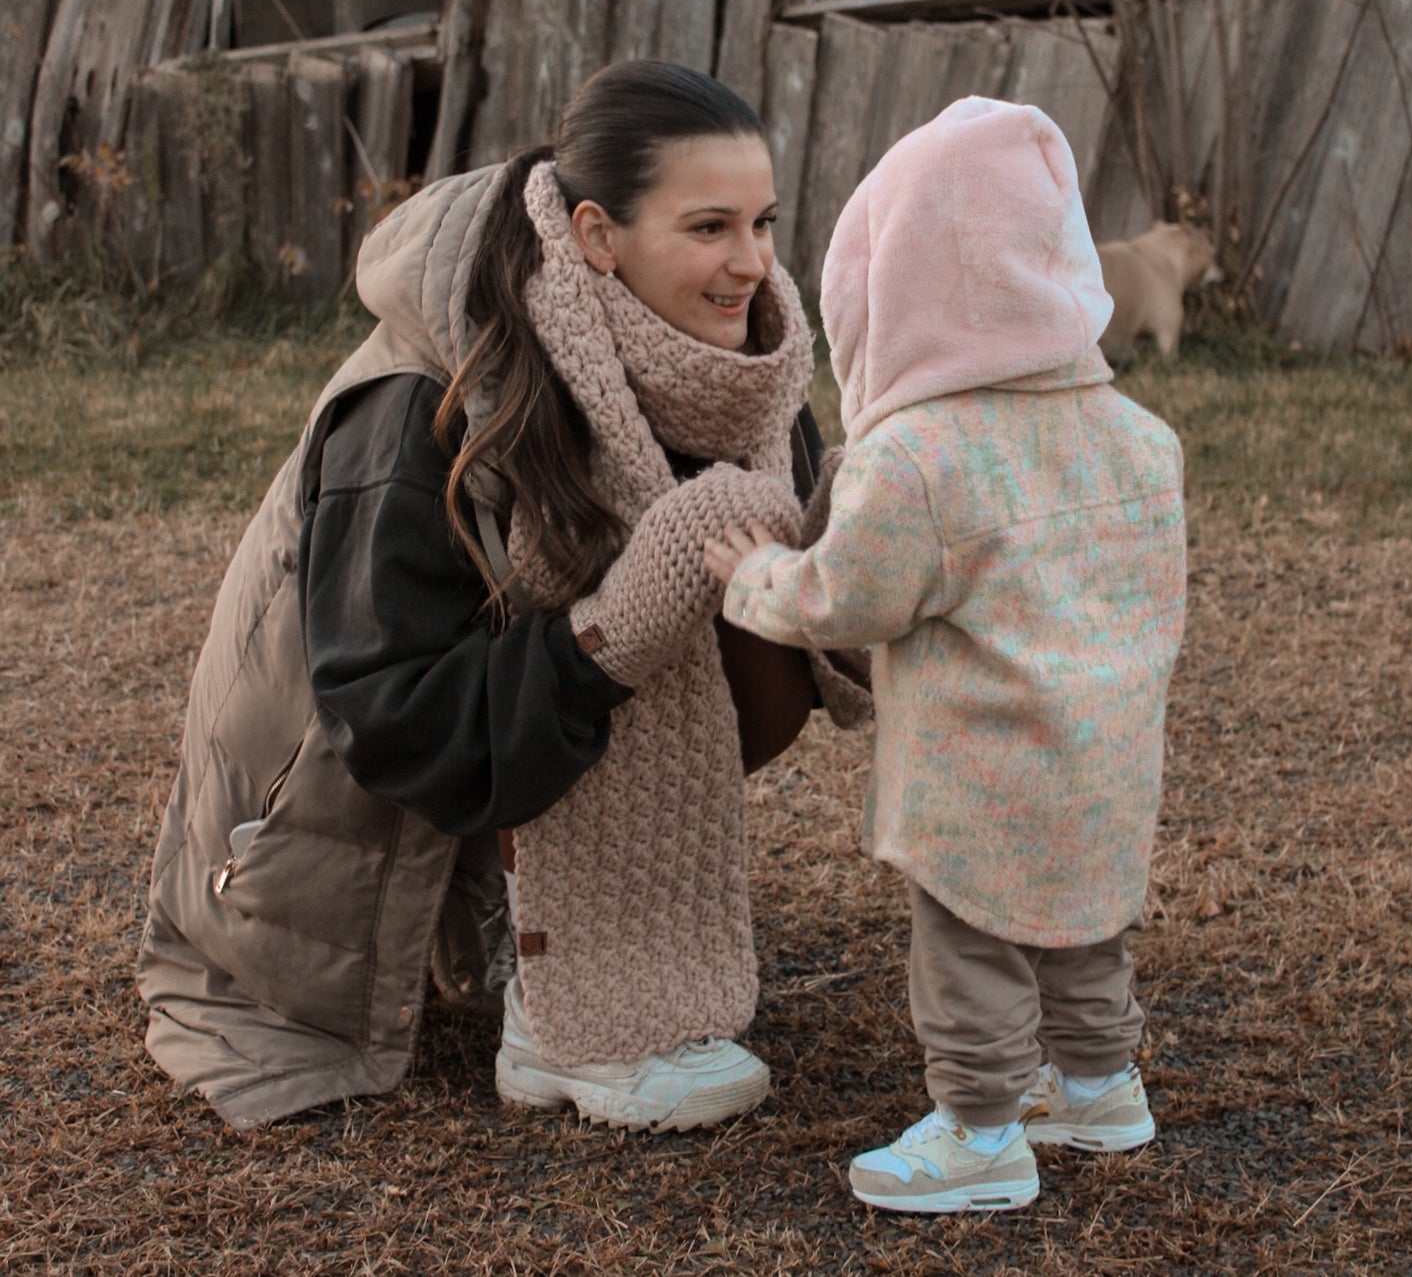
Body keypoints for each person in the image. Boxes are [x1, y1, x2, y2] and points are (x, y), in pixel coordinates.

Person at [136, 60, 869, 1133]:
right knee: (637, 580)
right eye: (708, 227)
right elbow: (391, 710)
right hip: (332, 797)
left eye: (762, 222)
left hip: (516, 718)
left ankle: (565, 917)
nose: (751, 264)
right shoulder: (416, 403)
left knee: (744, 575)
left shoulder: (741, 372)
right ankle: (556, 1002)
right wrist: (612, 634)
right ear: (595, 235)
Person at [705, 97, 1188, 1212]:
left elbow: (843, 599)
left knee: (969, 948)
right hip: (1105, 756)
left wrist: (747, 575)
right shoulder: (1138, 438)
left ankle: (978, 1131)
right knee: (1081, 929)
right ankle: (1101, 1084)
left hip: (978, 772)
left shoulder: (919, 457)